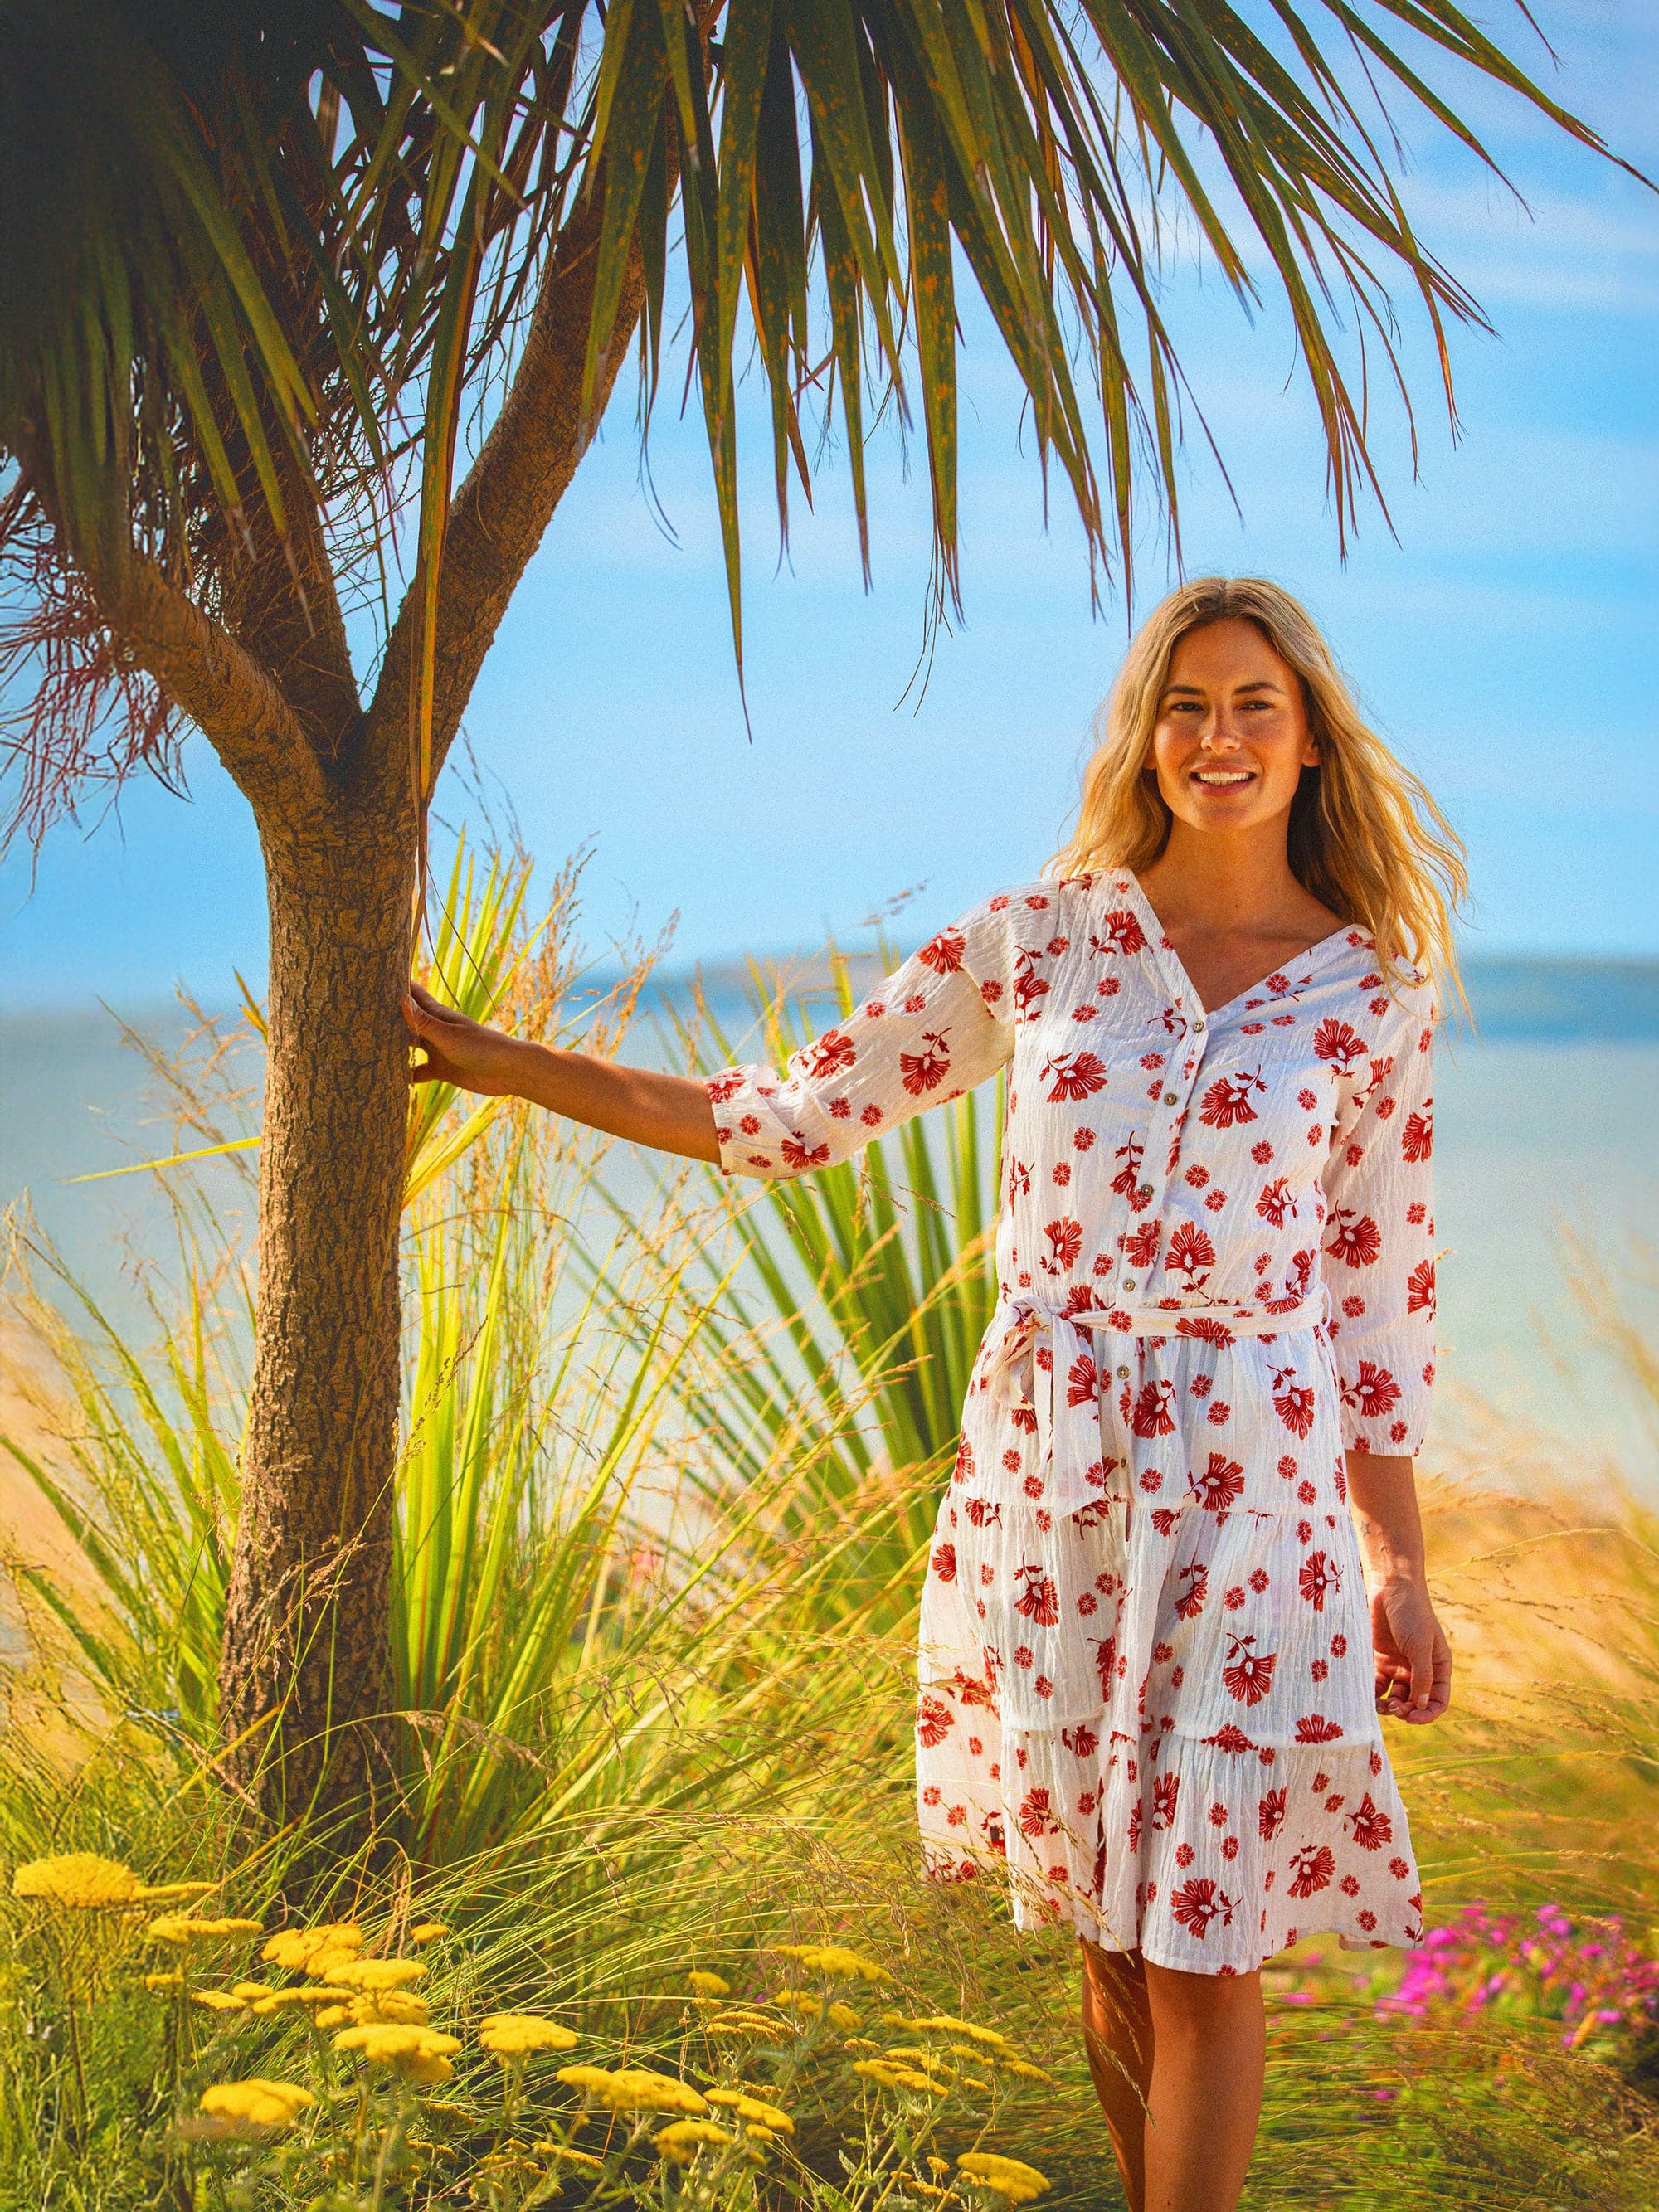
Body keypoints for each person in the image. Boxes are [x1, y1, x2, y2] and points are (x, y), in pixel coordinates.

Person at [401, 576, 1460, 2212]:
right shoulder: (1038, 940)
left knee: (1206, 1939)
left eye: (1254, 703)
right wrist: (512, 1060)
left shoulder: (1368, 988)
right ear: (1147, 736)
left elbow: (1376, 1298)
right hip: (1050, 1482)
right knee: (1112, 1931)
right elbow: (793, 1110)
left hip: (1254, 1490)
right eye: (1186, 705)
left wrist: (1399, 1562)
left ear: (1310, 736)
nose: (1218, 736)